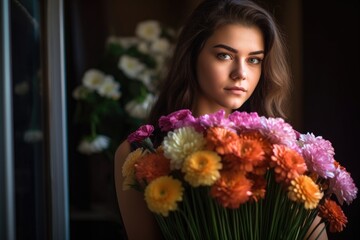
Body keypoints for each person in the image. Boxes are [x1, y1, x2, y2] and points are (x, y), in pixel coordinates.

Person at [114, 0, 328, 239]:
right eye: (224, 55)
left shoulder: (279, 151)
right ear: (192, 55)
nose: (241, 73)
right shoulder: (139, 154)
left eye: (254, 59)